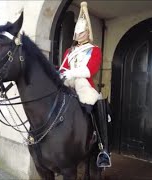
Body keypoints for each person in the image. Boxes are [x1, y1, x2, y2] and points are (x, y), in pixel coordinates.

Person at [59, 1, 111, 168]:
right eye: (77, 32)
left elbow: (90, 70)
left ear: (88, 33)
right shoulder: (69, 51)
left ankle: (103, 149)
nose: (79, 35)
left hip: (83, 82)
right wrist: (61, 75)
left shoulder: (94, 49)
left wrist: (72, 72)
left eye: (82, 32)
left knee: (97, 101)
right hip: (68, 81)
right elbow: (63, 68)